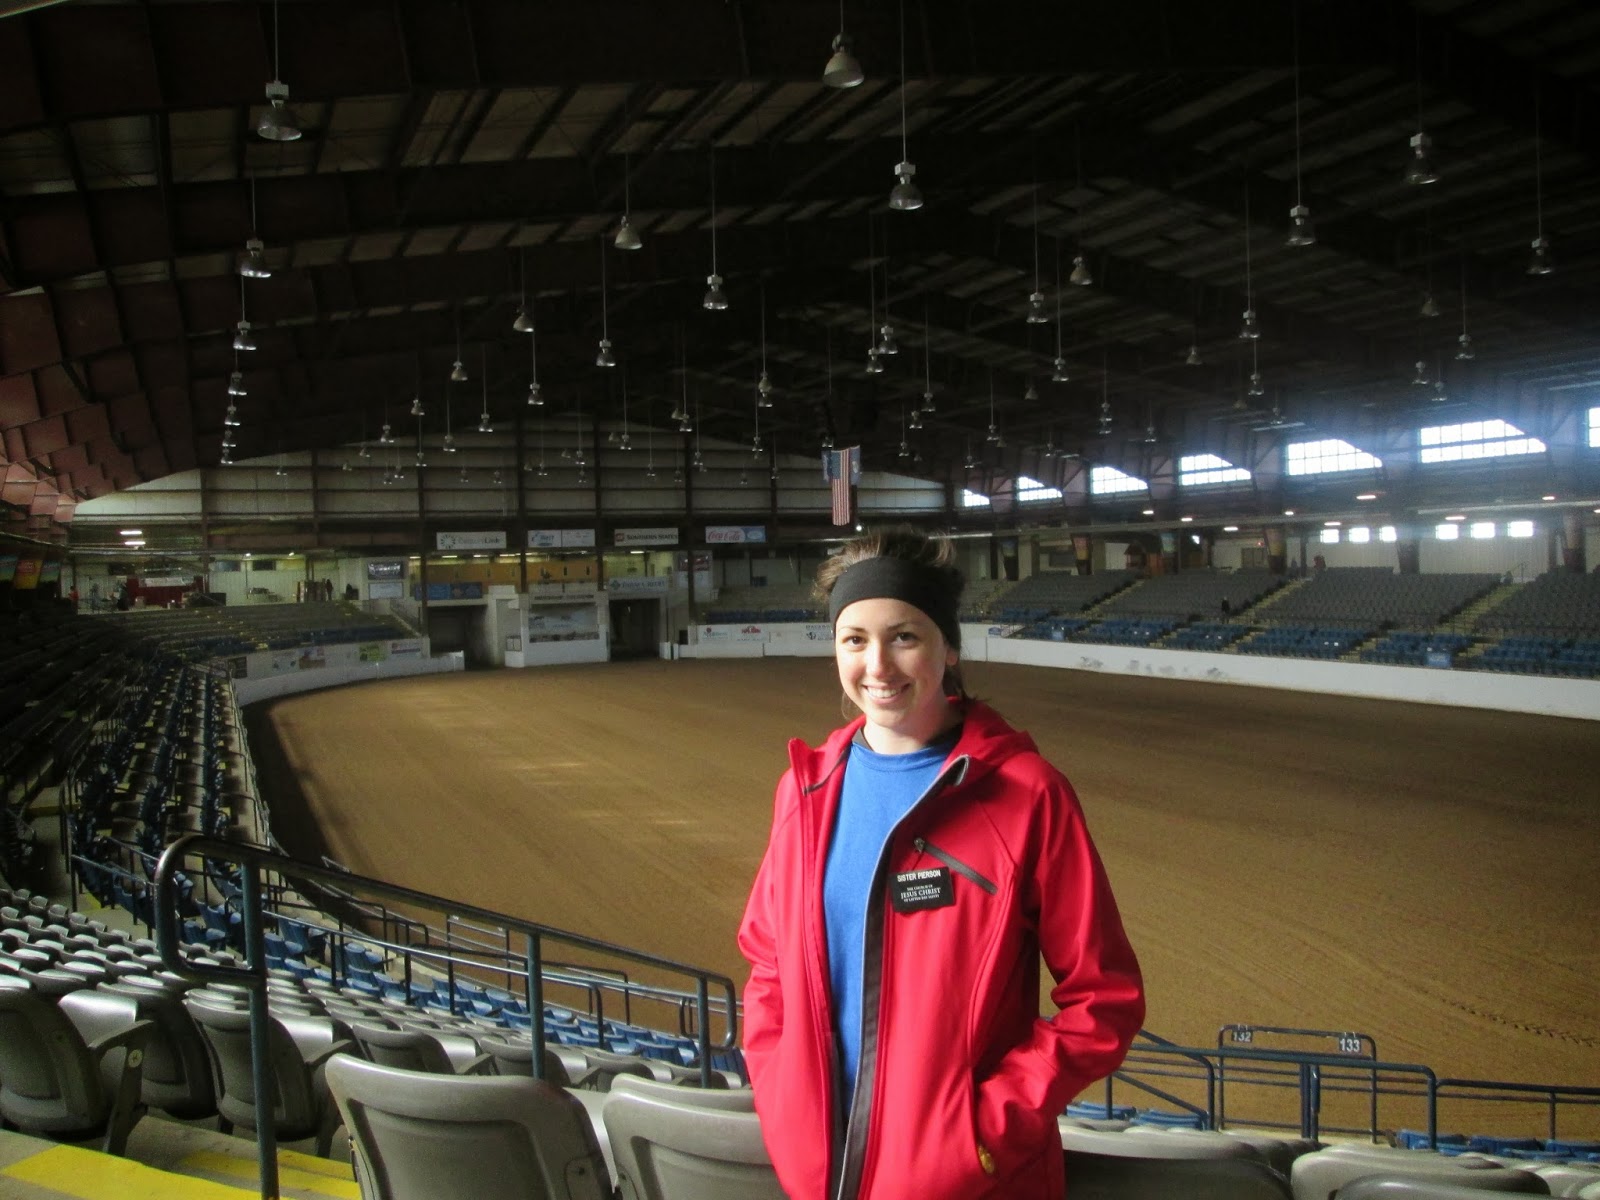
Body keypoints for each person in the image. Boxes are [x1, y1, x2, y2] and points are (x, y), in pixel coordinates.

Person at [738, 528, 1144, 1200]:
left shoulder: (1027, 795)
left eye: (904, 636)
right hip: (819, 1176)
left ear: (949, 646)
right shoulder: (805, 792)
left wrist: (982, 1135)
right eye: (854, 639)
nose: (878, 665)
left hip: (969, 1184)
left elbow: (1104, 998)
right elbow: (767, 963)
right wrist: (782, 1096)